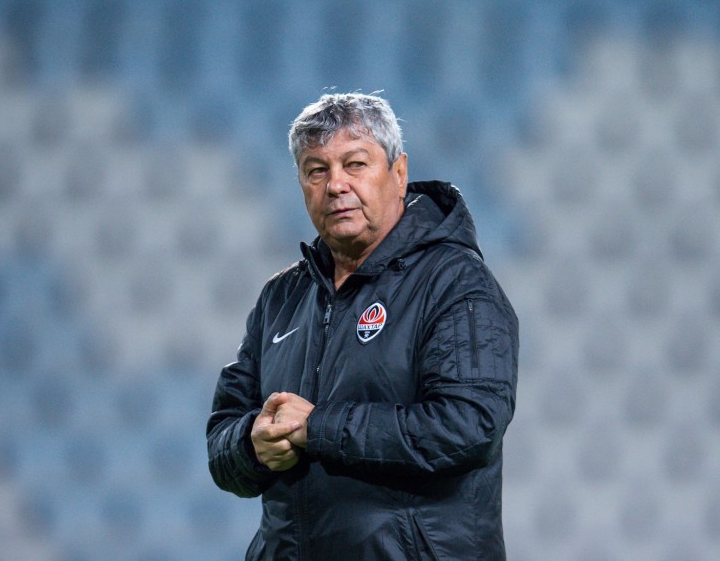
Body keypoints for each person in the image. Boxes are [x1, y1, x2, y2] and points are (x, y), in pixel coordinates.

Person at [206, 92, 519, 560]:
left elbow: (468, 426)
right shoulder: (282, 298)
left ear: (398, 174)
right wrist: (252, 445)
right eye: (317, 170)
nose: (336, 185)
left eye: (355, 164)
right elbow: (221, 440)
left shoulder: (455, 282)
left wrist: (319, 428)